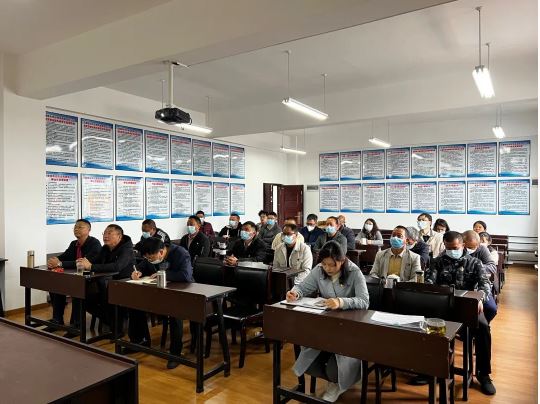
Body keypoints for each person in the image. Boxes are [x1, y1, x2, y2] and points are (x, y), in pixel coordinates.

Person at [286, 241, 369, 402]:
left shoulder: (354, 272)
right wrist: (295, 293)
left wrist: (341, 302)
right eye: (324, 264)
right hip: (326, 323)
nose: (328, 268)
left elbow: (364, 301)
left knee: (335, 368)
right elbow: (302, 287)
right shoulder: (319, 270)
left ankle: (337, 384)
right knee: (309, 361)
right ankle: (333, 381)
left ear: (342, 260)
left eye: (332, 265)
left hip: (349, 326)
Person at [425, 231, 496, 395]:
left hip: (468, 306)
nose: (452, 251)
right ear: (444, 245)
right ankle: (428, 370)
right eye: (448, 248)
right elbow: (430, 282)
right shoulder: (437, 262)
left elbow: (485, 285)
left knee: (484, 328)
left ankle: (483, 374)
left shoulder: (475, 263)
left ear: (463, 245)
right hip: (443, 308)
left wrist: (480, 298)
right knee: (425, 325)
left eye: (455, 248)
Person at [129, 238, 194, 369]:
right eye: (147, 258)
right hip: (161, 291)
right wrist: (137, 272)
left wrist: (163, 274)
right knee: (134, 303)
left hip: (183, 292)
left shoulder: (180, 253)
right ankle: (140, 341)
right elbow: (143, 266)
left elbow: (186, 275)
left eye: (151, 258)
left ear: (161, 252)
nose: (150, 260)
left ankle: (175, 353)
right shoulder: (151, 255)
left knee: (175, 313)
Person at [46, 219, 101, 332]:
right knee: (55, 285)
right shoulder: (74, 244)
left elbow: (82, 262)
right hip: (76, 276)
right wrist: (54, 260)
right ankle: (57, 320)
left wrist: (60, 263)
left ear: (89, 230)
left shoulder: (94, 243)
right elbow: (64, 256)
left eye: (80, 227)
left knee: (77, 289)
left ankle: (77, 324)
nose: (76, 229)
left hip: (91, 278)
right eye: (75, 227)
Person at [78, 224, 135, 328]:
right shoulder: (105, 248)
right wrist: (84, 262)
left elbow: (117, 267)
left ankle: (116, 326)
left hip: (124, 283)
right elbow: (94, 261)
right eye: (104, 233)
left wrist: (91, 266)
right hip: (106, 281)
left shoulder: (127, 249)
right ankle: (111, 322)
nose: (105, 236)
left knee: (104, 295)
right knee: (84, 299)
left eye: (109, 233)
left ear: (119, 236)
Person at [462, 230, 498, 322]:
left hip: (479, 285)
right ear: (462, 244)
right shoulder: (456, 248)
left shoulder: (482, 249)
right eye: (468, 247)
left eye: (474, 247)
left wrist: (476, 268)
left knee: (491, 309)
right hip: (461, 286)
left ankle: (484, 325)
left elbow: (492, 267)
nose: (471, 249)